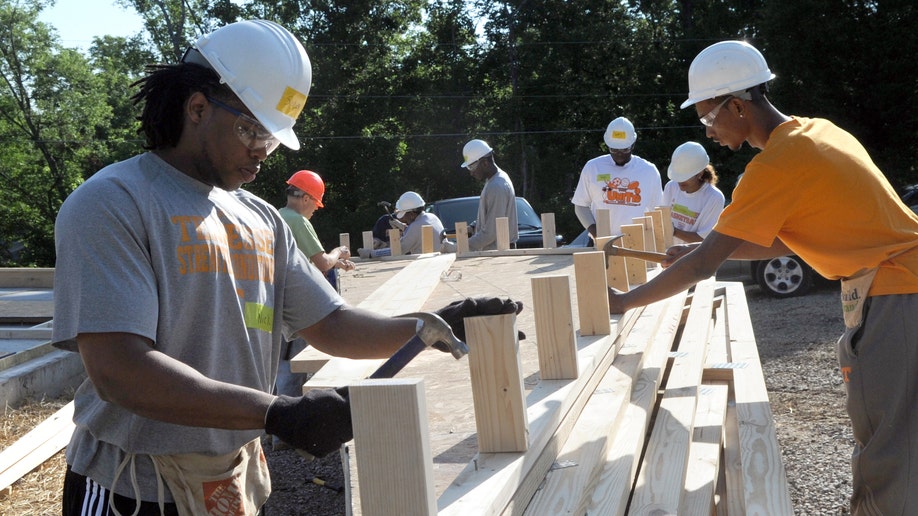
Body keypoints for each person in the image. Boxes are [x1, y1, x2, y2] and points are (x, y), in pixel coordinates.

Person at [52, 20, 522, 516]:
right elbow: (120, 370)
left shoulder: (259, 218)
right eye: (252, 130)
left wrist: (431, 326)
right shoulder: (114, 203)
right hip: (134, 489)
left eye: (271, 139)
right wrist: (276, 412)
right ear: (196, 108)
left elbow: (332, 324)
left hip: (230, 482)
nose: (261, 152)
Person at [607, 40, 918, 515]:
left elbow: (703, 267)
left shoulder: (774, 165)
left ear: (737, 104)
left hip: (900, 292)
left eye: (709, 117)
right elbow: (783, 240)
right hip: (898, 288)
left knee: (890, 444)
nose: (708, 131)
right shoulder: (816, 133)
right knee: (892, 432)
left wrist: (622, 302)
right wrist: (702, 246)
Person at [572, 117, 664, 240]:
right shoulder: (593, 167)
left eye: (624, 149)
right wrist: (594, 230)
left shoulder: (649, 171)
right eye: (614, 149)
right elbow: (580, 205)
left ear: (633, 145)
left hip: (639, 244)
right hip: (602, 244)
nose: (619, 153)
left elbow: (658, 211)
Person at [279, 169, 356, 289]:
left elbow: (296, 262)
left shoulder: (278, 215)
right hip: (297, 291)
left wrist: (335, 263)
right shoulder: (299, 221)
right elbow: (324, 264)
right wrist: (339, 251)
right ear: (305, 199)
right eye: (317, 203)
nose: (316, 208)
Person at [460, 139, 519, 251]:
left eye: (471, 167)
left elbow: (491, 233)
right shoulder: (494, 180)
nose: (471, 172)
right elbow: (493, 217)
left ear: (485, 163)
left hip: (499, 254)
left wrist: (459, 247)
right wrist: (474, 226)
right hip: (497, 252)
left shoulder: (497, 185)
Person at [661, 141, 725, 243]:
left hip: (694, 257)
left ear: (700, 173)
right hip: (667, 254)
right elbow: (661, 220)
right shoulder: (671, 187)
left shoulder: (714, 198)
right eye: (678, 176)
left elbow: (704, 240)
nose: (680, 181)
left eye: (684, 177)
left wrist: (673, 231)